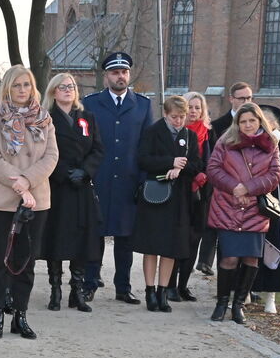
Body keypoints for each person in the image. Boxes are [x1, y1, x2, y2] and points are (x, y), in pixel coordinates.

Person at [0, 65, 58, 339]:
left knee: (26, 261)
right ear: (8, 88)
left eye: (26, 84)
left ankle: (21, 316)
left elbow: (51, 157)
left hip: (36, 198)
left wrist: (27, 181)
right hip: (0, 200)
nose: (23, 90)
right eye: (17, 85)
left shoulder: (45, 119)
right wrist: (18, 184)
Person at [81, 52, 153, 304]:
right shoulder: (89, 103)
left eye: (124, 72)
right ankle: (89, 283)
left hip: (128, 182)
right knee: (95, 235)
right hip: (98, 179)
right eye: (115, 72)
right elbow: (84, 143)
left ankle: (123, 287)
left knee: (125, 238)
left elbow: (146, 146)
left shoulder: (143, 105)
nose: (120, 76)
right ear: (106, 76)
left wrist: (143, 181)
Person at [205, 102, 280, 324]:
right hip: (227, 208)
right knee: (229, 258)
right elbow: (213, 169)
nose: (248, 125)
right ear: (237, 123)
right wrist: (234, 186)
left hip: (254, 210)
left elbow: (275, 174)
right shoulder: (225, 141)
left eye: (252, 120)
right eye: (243, 121)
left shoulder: (271, 144)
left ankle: (238, 305)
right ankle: (222, 303)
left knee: (250, 259)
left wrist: (250, 187)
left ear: (260, 121)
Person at [132, 95, 203, 312]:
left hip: (179, 198)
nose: (178, 121)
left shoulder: (189, 136)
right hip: (156, 196)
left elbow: (198, 165)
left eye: (182, 117)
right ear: (165, 114)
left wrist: (181, 168)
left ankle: (164, 291)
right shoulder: (153, 132)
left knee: (170, 248)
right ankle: (150, 291)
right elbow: (143, 160)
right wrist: (168, 163)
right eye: (174, 117)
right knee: (152, 247)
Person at [41, 72, 103, 312]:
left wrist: (85, 171)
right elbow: (42, 150)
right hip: (57, 187)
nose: (68, 90)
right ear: (53, 91)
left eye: (72, 86)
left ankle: (76, 291)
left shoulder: (87, 117)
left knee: (82, 239)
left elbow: (98, 149)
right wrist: (64, 172)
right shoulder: (46, 118)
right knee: (56, 238)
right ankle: (55, 290)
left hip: (81, 188)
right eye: (63, 87)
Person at [199, 82, 255, 276]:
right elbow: (212, 160)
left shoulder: (257, 126)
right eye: (242, 98)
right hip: (222, 186)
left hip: (247, 190)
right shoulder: (217, 126)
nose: (246, 101)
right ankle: (215, 270)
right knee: (218, 229)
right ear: (231, 99)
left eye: (249, 98)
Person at [165, 91, 216, 302]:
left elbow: (211, 161)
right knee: (176, 238)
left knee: (194, 239)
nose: (194, 111)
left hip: (201, 193)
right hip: (179, 191)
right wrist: (193, 172)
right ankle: (170, 285)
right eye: (190, 107)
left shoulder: (208, 133)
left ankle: (184, 285)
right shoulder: (177, 132)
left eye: (198, 107)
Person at [251, 105, 280, 314]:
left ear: (274, 123)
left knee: (274, 245)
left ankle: (271, 296)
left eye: (263, 120)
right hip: (251, 203)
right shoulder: (252, 144)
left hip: (274, 204)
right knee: (252, 247)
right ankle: (249, 290)